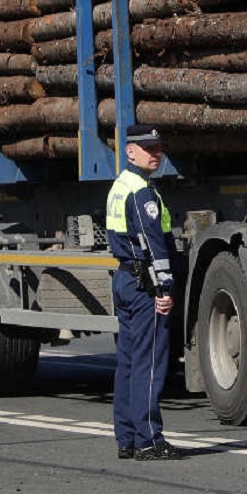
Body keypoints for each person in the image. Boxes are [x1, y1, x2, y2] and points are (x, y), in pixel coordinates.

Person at [106, 124, 186, 461]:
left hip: (126, 279)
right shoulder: (141, 192)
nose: (156, 154)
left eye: (158, 148)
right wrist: (163, 288)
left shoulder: (120, 186)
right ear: (130, 151)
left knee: (127, 362)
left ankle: (126, 438)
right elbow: (153, 246)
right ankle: (148, 440)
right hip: (144, 285)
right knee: (149, 362)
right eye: (148, 148)